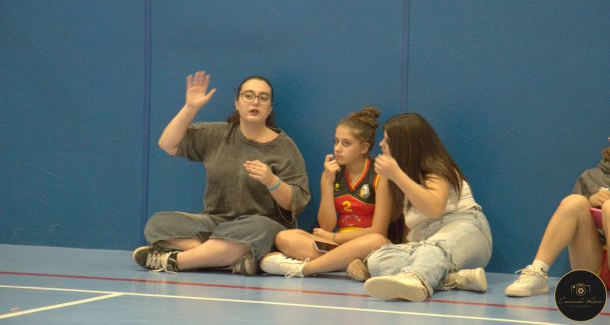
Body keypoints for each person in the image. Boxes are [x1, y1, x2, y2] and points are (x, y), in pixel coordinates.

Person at [132, 71, 310, 274]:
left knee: (258, 228)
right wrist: (190, 108)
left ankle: (177, 261)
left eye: (263, 98)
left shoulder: (285, 147)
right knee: (158, 224)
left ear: (270, 108)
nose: (255, 102)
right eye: (248, 96)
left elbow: (296, 203)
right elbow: (167, 144)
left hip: (259, 226)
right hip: (215, 223)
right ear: (237, 102)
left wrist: (272, 181)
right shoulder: (217, 134)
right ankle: (230, 257)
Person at [361, 113, 492, 302]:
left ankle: (415, 279)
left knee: (433, 248)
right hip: (427, 244)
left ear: (405, 146)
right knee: (378, 260)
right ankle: (454, 279)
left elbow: (434, 208)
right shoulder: (405, 176)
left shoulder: (438, 168)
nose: (381, 144)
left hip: (467, 231)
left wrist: (396, 175)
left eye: (388, 140)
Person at [259, 107, 395, 277]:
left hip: (365, 245)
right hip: (335, 244)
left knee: (377, 241)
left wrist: (333, 238)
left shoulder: (380, 175)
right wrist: (329, 182)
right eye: (336, 141)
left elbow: (379, 230)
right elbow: (326, 225)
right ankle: (347, 264)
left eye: (346, 143)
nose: (337, 148)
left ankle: (303, 268)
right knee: (285, 237)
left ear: (364, 148)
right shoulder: (331, 173)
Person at [505, 143, 610, 297]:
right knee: (574, 202)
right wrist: (591, 200)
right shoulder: (591, 176)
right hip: (594, 265)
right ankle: (538, 271)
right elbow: (575, 225)